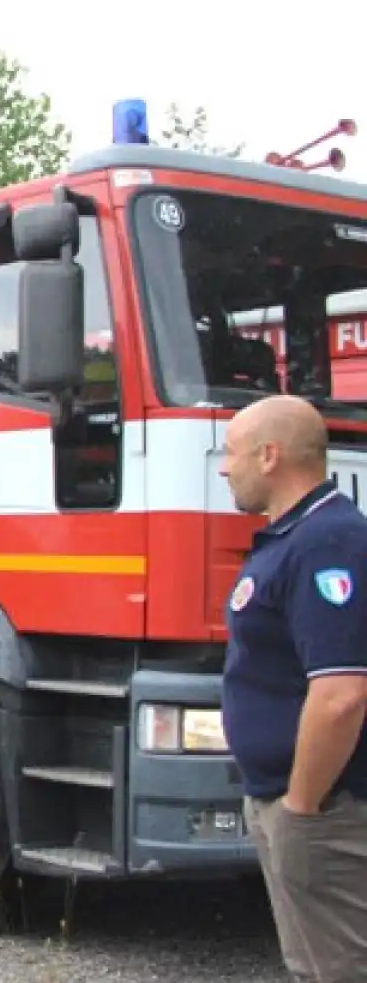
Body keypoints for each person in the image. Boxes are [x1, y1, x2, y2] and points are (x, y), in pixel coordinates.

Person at [220, 394, 367, 981]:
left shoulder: (325, 543)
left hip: (326, 808)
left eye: (232, 454)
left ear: (270, 455)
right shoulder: (297, 538)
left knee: (335, 969)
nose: (226, 467)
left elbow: (341, 694)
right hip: (297, 802)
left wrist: (300, 809)